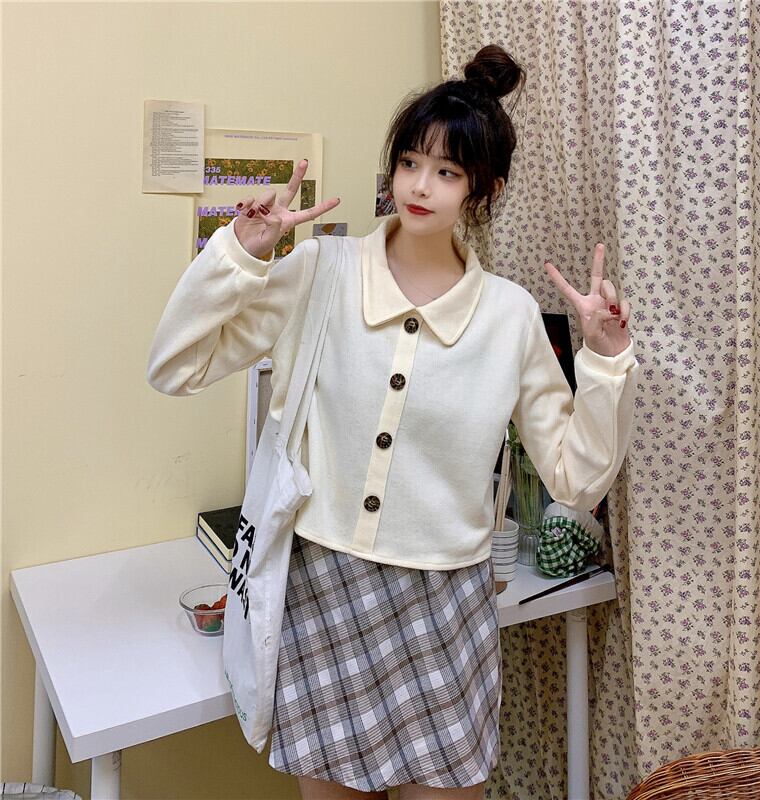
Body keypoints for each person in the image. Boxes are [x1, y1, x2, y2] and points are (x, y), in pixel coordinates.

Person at [147, 44, 639, 800]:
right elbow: (176, 366)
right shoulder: (321, 271)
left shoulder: (507, 317)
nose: (419, 185)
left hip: (447, 609)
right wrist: (239, 258)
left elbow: (577, 478)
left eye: (447, 171)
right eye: (410, 162)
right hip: (324, 590)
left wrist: (604, 361)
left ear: (484, 188)